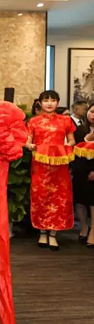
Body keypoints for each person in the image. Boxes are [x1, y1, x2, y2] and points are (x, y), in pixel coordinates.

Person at [25, 90, 75, 251]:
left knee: (59, 198)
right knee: (40, 197)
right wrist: (29, 145)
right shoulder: (33, 121)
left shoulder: (66, 120)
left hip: (60, 165)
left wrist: (66, 147)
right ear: (40, 103)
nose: (49, 103)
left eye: (53, 100)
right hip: (40, 165)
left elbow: (72, 140)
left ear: (57, 103)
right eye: (46, 100)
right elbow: (27, 141)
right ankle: (42, 232)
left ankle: (53, 234)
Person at [72, 102, 94, 246]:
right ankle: (84, 228)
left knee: (93, 202)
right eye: (91, 111)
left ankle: (93, 233)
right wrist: (88, 138)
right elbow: (75, 148)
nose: (93, 115)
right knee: (80, 200)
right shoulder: (79, 130)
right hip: (80, 169)